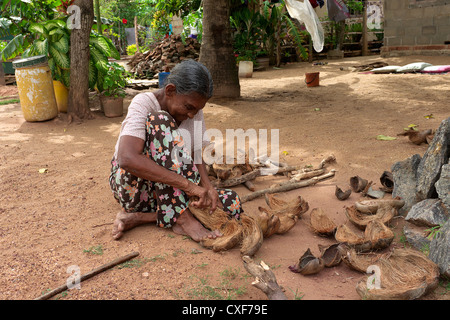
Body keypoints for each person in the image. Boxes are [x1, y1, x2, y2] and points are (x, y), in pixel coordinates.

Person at [109, 59, 243, 241]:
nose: (191, 115)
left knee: (231, 203)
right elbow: (127, 158)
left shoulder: (193, 109)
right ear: (170, 91)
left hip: (169, 193)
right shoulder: (144, 103)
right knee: (160, 121)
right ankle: (183, 218)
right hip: (136, 190)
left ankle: (142, 218)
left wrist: (207, 187)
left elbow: (196, 152)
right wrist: (189, 186)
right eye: (189, 107)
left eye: (197, 110)